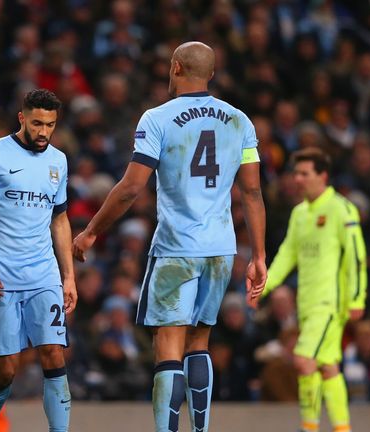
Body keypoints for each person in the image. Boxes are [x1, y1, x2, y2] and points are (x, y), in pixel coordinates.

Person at [72, 41, 267, 432]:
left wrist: (92, 231)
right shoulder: (240, 121)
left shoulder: (157, 118)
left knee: (168, 347)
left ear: (175, 67)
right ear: (210, 74)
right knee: (200, 343)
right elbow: (252, 193)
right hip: (221, 249)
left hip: (177, 247)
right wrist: (259, 255)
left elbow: (131, 188)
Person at [0, 88, 77, 432]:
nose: (44, 132)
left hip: (44, 275)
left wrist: (68, 276)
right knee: (6, 368)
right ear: (22, 118)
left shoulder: (59, 160)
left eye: (51, 125)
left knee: (54, 354)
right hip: (1, 278)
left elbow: (60, 220)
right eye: (38, 123)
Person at [253, 147, 367, 432]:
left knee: (303, 360)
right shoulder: (300, 213)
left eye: (304, 173)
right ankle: (342, 428)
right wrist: (263, 286)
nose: (298, 179)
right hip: (306, 303)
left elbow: (356, 257)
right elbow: (286, 256)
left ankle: (309, 427)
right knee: (327, 366)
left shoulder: (342, 209)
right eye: (296, 173)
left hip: (330, 303)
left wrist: (357, 297)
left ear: (323, 175)